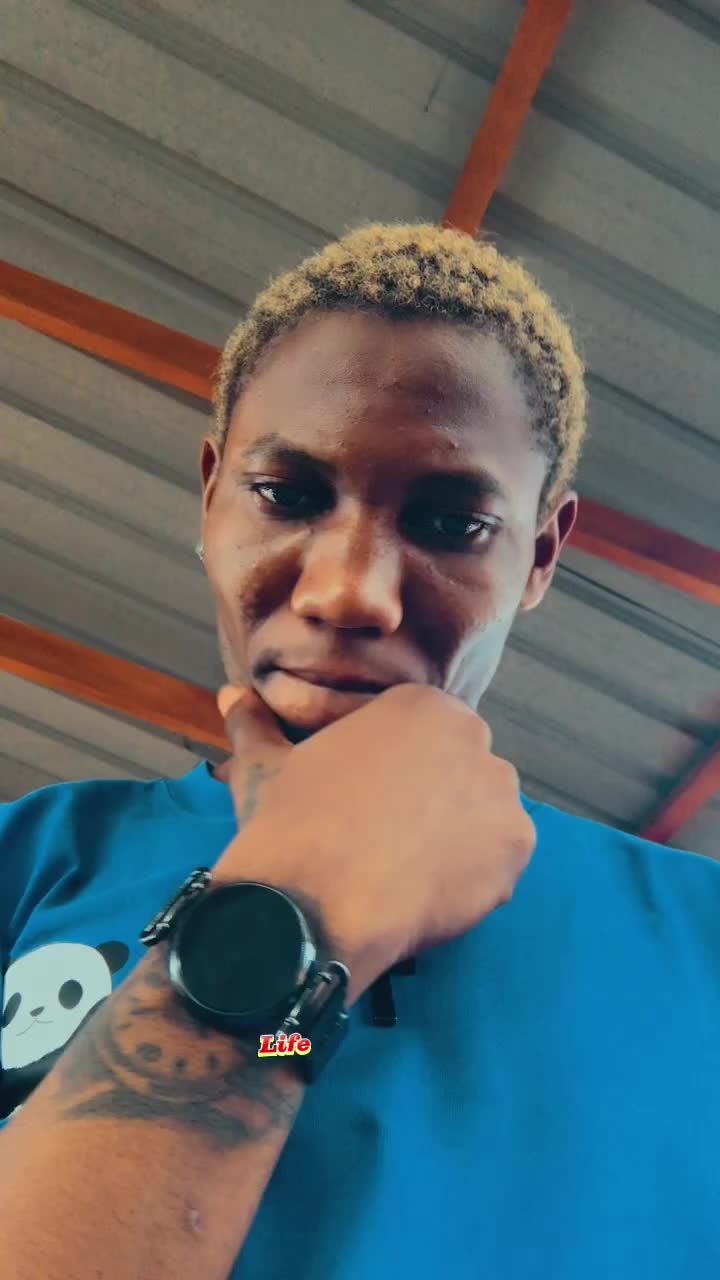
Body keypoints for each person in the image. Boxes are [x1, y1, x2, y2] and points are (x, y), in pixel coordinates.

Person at [1, 222, 718, 1279]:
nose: (349, 590)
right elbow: (286, 1049)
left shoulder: (699, 947)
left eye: (452, 523)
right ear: (211, 493)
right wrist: (301, 898)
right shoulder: (30, 859)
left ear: (541, 553)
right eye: (288, 495)